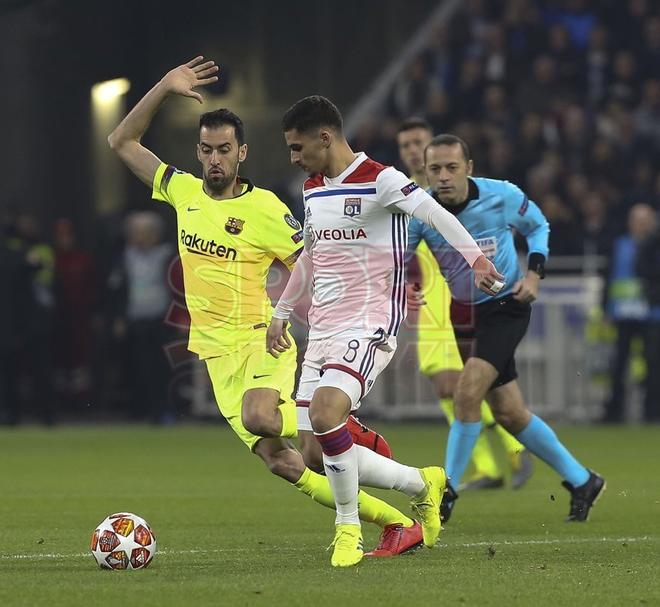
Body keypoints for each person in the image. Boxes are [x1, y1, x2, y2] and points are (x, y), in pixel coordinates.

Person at [108, 57, 421, 558]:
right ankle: (399, 519)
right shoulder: (183, 192)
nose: (215, 159)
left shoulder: (267, 209)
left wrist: (335, 313)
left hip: (261, 341)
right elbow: (121, 143)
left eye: (224, 150)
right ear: (198, 152)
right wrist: (165, 87)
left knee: (263, 418)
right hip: (216, 356)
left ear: (242, 153)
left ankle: (337, 424)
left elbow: (317, 263)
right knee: (288, 464)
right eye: (207, 150)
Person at [267, 96, 502, 567]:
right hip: (324, 328)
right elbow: (310, 255)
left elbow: (435, 214)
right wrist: (282, 311)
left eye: (297, 147)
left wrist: (474, 257)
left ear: (325, 137)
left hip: (371, 320)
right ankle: (423, 483)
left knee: (329, 411)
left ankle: (348, 528)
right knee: (314, 450)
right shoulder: (313, 188)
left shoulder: (381, 179)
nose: (293, 158)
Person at [406, 133, 605, 523]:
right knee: (511, 413)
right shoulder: (422, 209)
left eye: (451, 167)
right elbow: (400, 256)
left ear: (469, 168)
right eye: (435, 169)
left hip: (506, 307)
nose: (443, 176)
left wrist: (534, 275)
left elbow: (538, 226)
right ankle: (583, 481)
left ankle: (445, 493)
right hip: (462, 313)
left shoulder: (501, 195)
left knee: (466, 393)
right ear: (426, 172)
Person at [396, 117, 533, 490]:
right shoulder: (401, 193)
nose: (411, 150)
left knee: (465, 385)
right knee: (449, 388)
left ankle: (512, 450)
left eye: (417, 142)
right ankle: (491, 464)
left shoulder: (451, 191)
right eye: (405, 145)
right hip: (429, 304)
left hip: (461, 298)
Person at [602, 203, 657, 423]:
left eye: (644, 220)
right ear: (629, 222)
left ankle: (652, 412)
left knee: (653, 364)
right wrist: (606, 308)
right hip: (623, 312)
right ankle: (614, 411)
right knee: (618, 365)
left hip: (652, 313)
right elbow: (609, 278)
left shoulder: (655, 246)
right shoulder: (618, 245)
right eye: (637, 220)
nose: (640, 224)